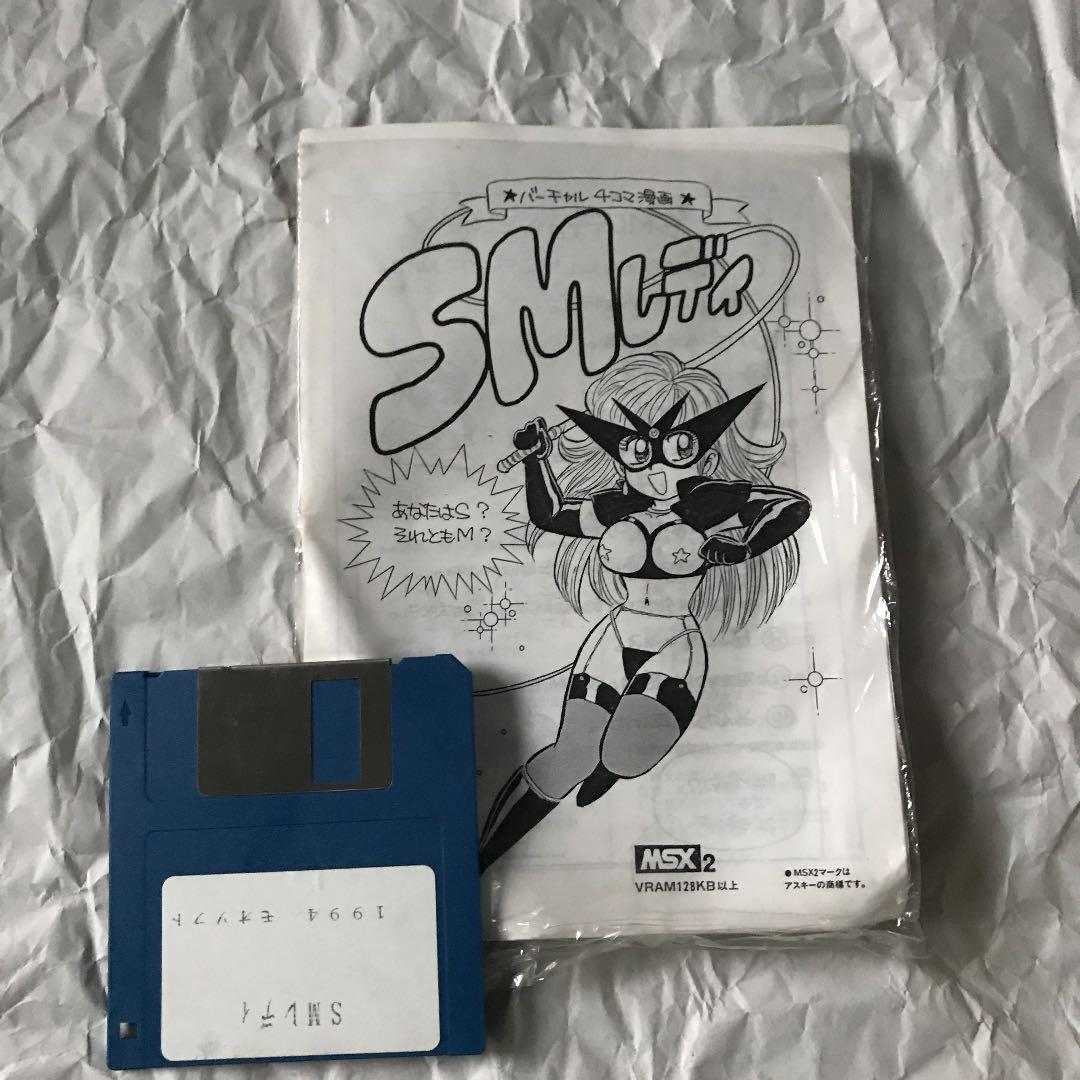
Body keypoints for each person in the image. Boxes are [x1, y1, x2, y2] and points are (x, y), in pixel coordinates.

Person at [479, 351, 810, 872]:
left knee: (626, 755)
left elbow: (791, 506)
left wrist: (745, 546)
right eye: (639, 454)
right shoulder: (613, 506)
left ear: (701, 450)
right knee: (568, 756)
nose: (657, 468)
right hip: (614, 633)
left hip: (674, 643)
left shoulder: (710, 502)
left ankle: (611, 767)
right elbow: (550, 514)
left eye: (678, 450)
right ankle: (479, 859)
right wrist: (535, 459)